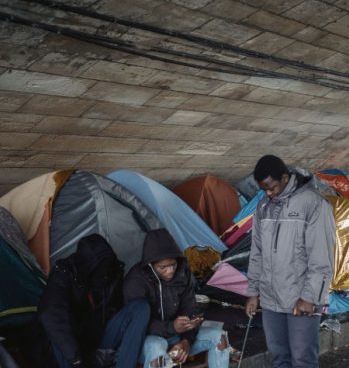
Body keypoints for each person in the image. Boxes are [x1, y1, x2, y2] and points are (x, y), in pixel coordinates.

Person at [245, 155, 336, 368]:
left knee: (303, 359)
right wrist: (252, 291)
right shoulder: (263, 208)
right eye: (264, 189)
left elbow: (321, 257)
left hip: (301, 298)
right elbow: (256, 252)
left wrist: (310, 297)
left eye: (272, 187)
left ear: (285, 178)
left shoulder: (313, 204)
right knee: (279, 358)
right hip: (270, 299)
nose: (268, 193)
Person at [39, 234, 149, 368]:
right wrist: (76, 359)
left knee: (140, 308)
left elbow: (116, 308)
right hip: (74, 347)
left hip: (100, 337)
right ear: (86, 265)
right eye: (99, 268)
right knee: (55, 328)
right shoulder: (64, 274)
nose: (103, 274)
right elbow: (50, 313)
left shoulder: (113, 271)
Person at [124, 229, 230, 368]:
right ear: (151, 265)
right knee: (157, 347)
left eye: (172, 265)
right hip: (147, 341)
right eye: (163, 267)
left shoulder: (182, 271)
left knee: (220, 337)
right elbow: (135, 325)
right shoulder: (136, 281)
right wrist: (172, 327)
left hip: (177, 338)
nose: (170, 270)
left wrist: (187, 341)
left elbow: (190, 308)